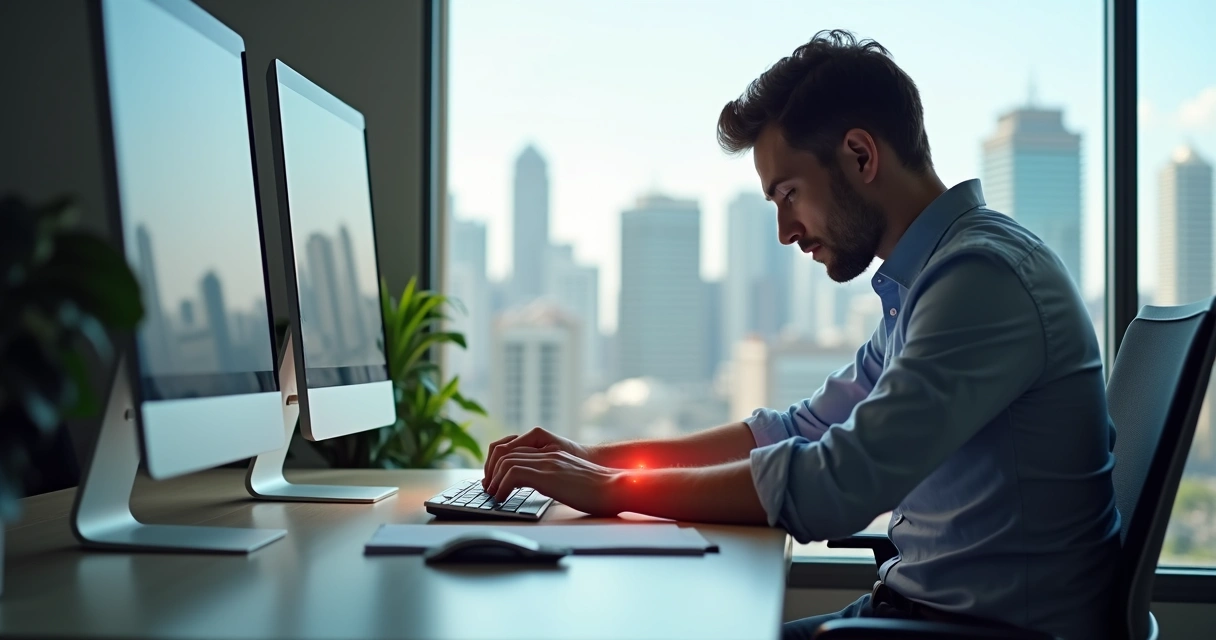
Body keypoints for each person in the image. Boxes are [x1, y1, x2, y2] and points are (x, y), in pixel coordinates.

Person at [481, 29, 1119, 640]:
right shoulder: (927, 282)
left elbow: (836, 484)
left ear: (861, 155)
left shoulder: (981, 280)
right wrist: (591, 459)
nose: (786, 230)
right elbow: (799, 429)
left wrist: (614, 491)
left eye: (789, 194)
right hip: (923, 617)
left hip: (984, 634)